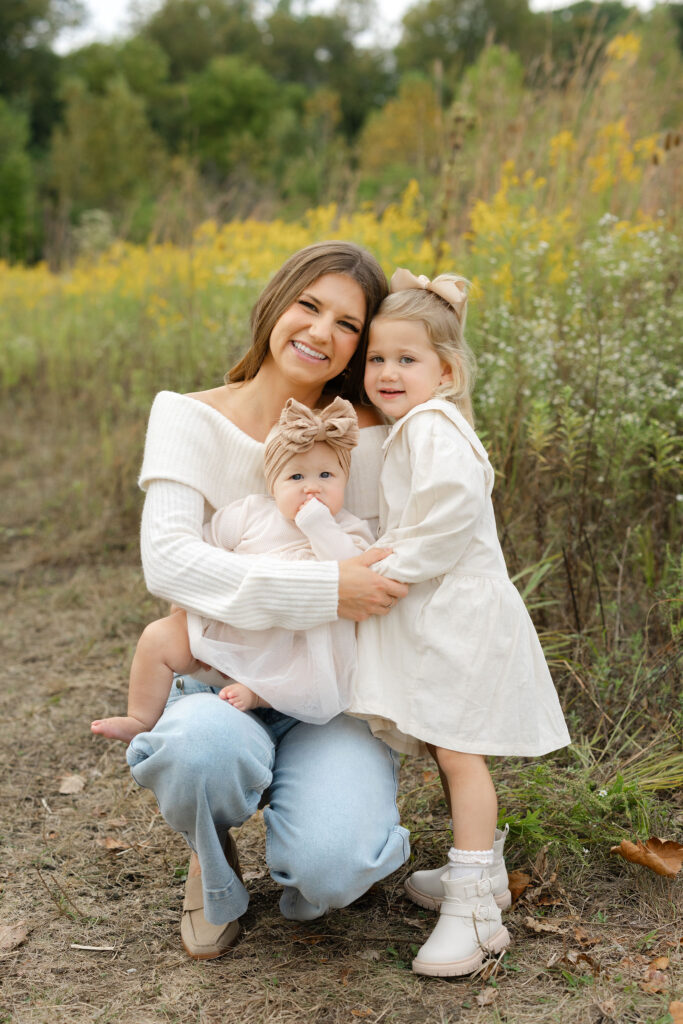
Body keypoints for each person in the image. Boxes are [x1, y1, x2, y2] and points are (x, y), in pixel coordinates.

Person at [118, 241, 411, 961]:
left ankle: (319, 823)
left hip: (330, 698)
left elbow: (397, 564)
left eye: (347, 324)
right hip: (221, 685)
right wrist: (325, 590)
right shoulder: (187, 416)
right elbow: (171, 560)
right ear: (274, 304)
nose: (320, 332)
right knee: (197, 751)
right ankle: (212, 863)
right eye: (308, 305)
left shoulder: (370, 436)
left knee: (335, 866)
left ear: (359, 345)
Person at [351, 267, 571, 977]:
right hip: (442, 611)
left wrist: (394, 561)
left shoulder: (432, 425)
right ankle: (471, 864)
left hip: (459, 614)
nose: (387, 372)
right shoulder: (422, 424)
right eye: (377, 359)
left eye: (406, 359)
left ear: (444, 372)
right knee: (445, 746)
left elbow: (448, 512)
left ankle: (476, 908)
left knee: (458, 752)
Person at [91, 398, 373, 741]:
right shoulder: (250, 513)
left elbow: (350, 568)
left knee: (316, 678)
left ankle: (258, 695)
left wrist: (318, 525)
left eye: (326, 475)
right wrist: (185, 604)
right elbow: (204, 551)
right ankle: (140, 717)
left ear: (345, 481)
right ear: (273, 485)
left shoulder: (350, 528)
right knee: (158, 636)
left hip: (297, 645)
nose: (311, 486)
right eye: (296, 476)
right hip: (232, 628)